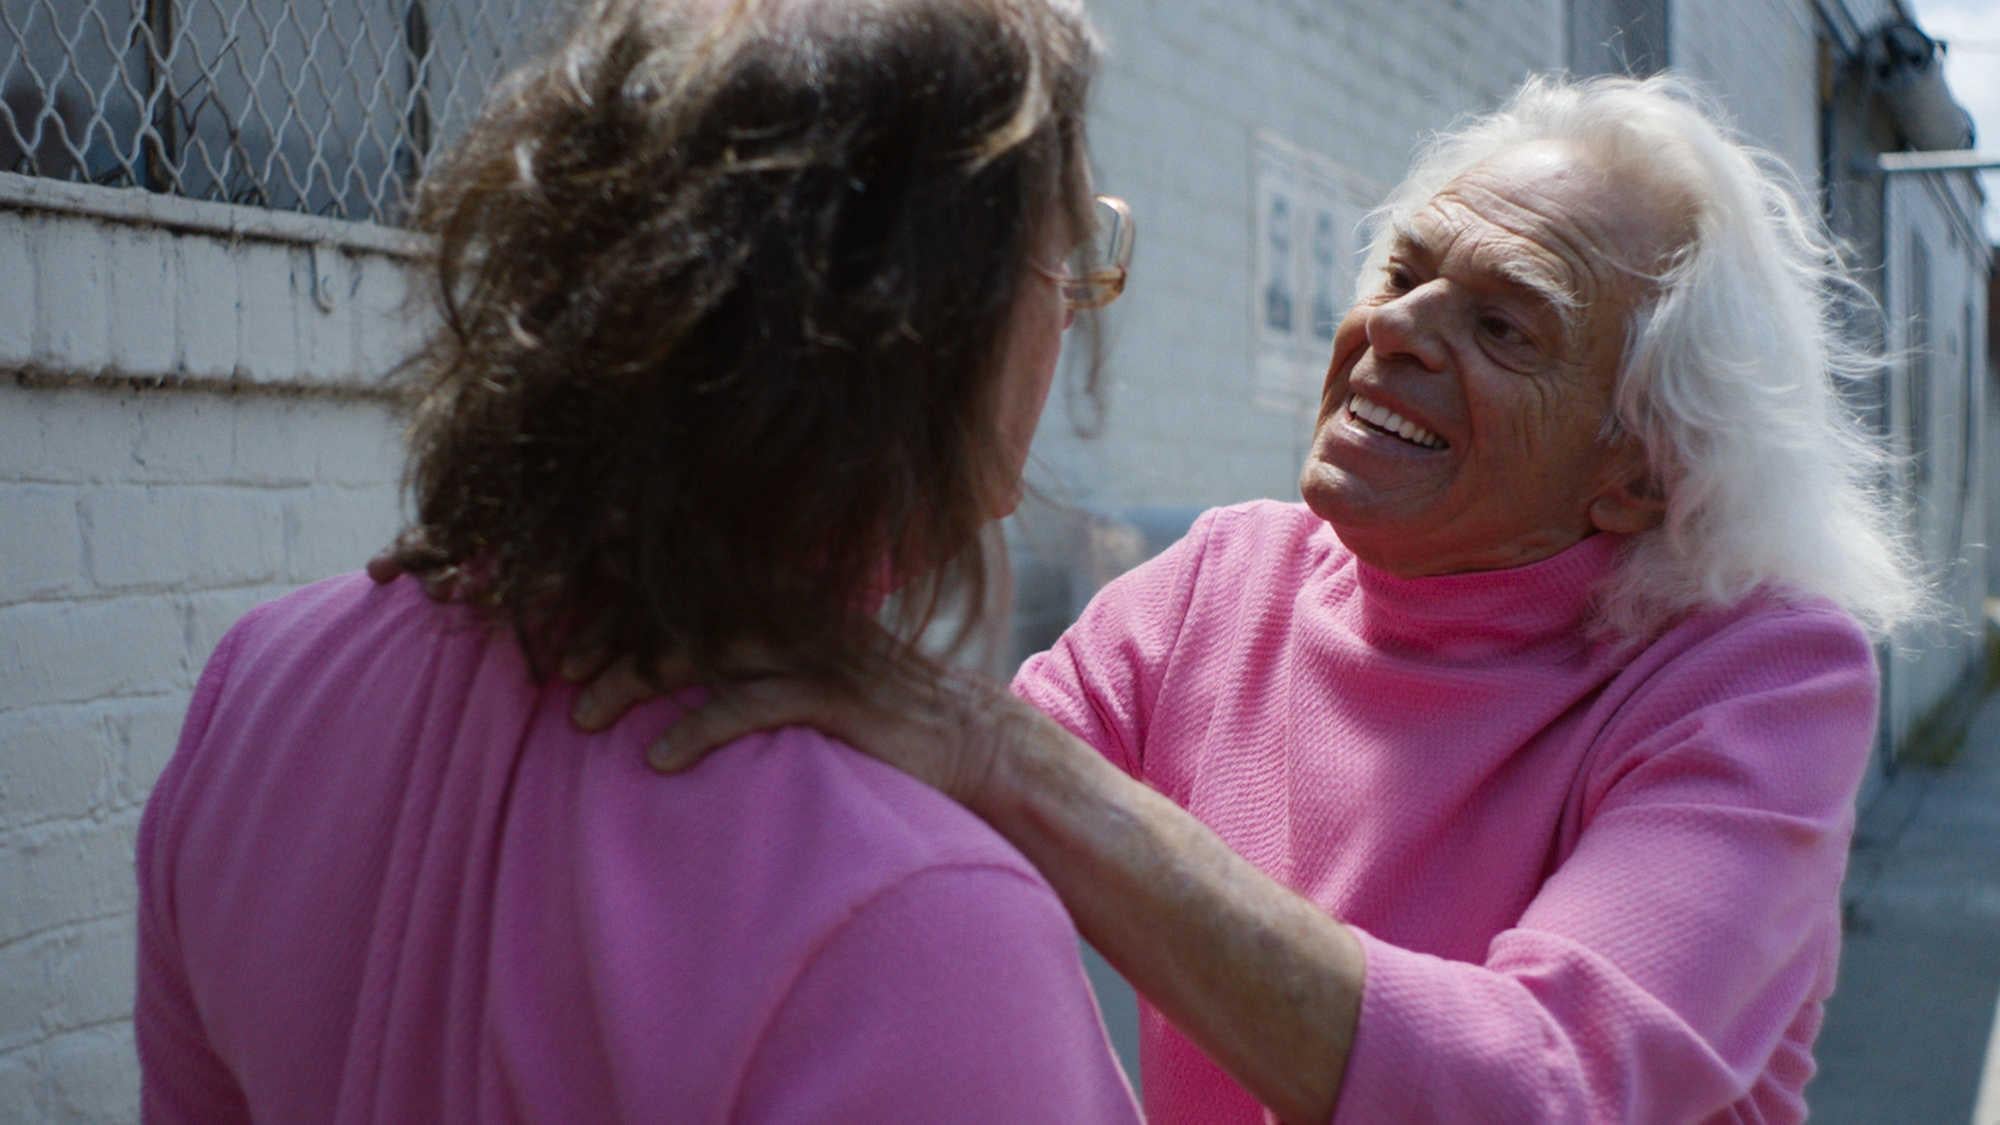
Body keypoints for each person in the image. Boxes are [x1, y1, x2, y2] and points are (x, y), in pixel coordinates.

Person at [581, 74, 1925, 1122]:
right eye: (1405, 276)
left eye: (1505, 325)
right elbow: (902, 837)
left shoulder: (1757, 673)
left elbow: (1543, 1089)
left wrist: (1004, 758)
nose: (1399, 328)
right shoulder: (1228, 580)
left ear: (1637, 470)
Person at [134, 0, 1143, 1120]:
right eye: (1065, 261)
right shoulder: (919, 923)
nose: (1069, 318)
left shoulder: (264, 685)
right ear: (933, 335)